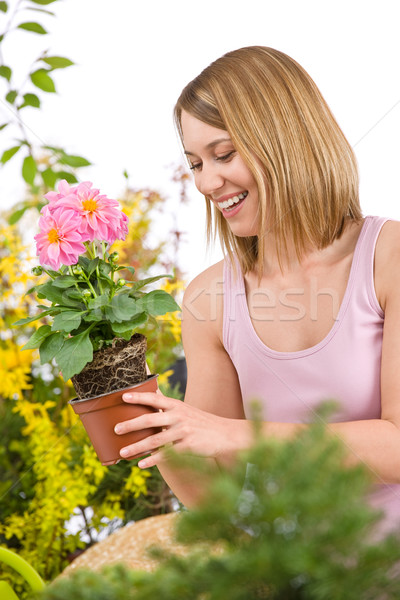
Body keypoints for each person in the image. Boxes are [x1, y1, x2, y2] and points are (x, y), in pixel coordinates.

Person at [114, 46, 400, 532]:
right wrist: (158, 429)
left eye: (223, 154)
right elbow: (215, 496)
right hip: (284, 576)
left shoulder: (388, 257)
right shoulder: (209, 299)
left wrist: (235, 435)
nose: (208, 181)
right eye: (195, 164)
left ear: (286, 140)